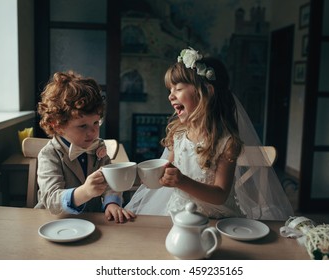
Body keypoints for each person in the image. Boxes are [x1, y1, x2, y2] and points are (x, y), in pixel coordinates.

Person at [125, 47, 294, 220]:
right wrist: (145, 176)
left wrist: (182, 181)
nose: (171, 96)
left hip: (215, 220)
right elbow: (165, 172)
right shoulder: (179, 135)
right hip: (177, 215)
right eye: (170, 90)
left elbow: (220, 195)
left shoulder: (226, 143)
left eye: (178, 88)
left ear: (206, 92)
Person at [35, 71, 135, 223]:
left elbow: (110, 182)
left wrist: (111, 203)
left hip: (93, 222)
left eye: (96, 123)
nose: (93, 132)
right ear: (57, 125)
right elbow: (52, 200)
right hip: (56, 223)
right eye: (82, 126)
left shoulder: (98, 146)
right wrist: (85, 192)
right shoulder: (49, 154)